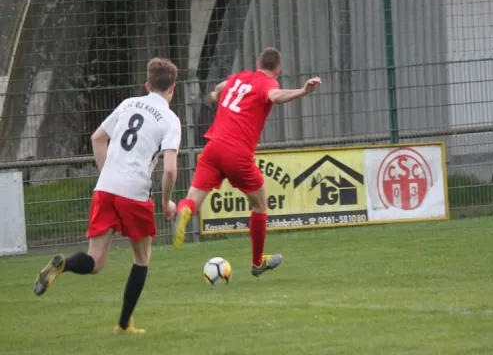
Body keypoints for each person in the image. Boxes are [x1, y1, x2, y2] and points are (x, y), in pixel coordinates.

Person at [33, 57, 182, 335]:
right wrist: (166, 201)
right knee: (142, 258)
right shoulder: (171, 120)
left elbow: (97, 138)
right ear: (173, 88)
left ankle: (63, 264)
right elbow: (171, 169)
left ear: (147, 85)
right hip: (134, 193)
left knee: (95, 262)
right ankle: (124, 325)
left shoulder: (128, 105)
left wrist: (108, 174)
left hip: (105, 188)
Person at [172, 47, 321, 277]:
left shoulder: (240, 77)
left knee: (194, 199)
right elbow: (275, 97)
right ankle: (257, 262)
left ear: (258, 62)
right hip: (236, 152)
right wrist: (304, 91)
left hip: (212, 148)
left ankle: (184, 211)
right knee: (260, 205)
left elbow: (221, 87)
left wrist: (213, 96)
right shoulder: (267, 84)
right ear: (277, 70)